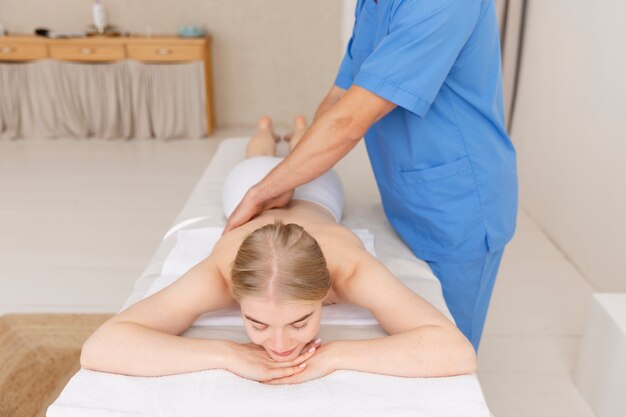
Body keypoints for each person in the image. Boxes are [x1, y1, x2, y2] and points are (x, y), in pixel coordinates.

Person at [80, 117, 476, 385]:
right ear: (236, 295)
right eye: (257, 323)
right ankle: (266, 129)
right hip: (253, 186)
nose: (281, 347)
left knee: (309, 156)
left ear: (325, 292)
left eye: (301, 322)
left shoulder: (350, 268)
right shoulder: (221, 274)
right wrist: (227, 353)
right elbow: (102, 346)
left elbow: (456, 352)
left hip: (318, 197)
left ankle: (302, 131)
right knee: (257, 160)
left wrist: (335, 355)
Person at [224, 0, 518, 352]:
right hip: (409, 193)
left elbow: (352, 120)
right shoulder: (372, 4)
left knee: (446, 339)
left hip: (459, 203)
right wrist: (293, 172)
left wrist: (265, 190)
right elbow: (340, 97)